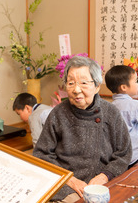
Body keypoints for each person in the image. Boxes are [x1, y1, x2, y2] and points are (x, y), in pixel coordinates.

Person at [33, 56, 132, 202]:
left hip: (102, 181)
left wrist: (105, 176)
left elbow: (124, 153)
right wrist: (69, 179)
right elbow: (42, 153)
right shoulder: (58, 113)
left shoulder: (111, 112)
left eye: (84, 83)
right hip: (65, 182)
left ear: (97, 86)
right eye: (71, 83)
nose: (76, 90)